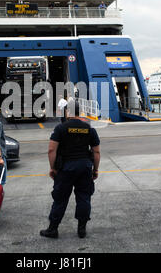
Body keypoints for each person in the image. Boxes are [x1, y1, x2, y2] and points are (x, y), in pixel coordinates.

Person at [40, 100, 101, 239]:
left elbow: (51, 150)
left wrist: (52, 168)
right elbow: (96, 152)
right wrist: (95, 170)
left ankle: (53, 229)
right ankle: (81, 229)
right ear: (80, 112)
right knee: (84, 197)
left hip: (66, 168)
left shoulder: (60, 128)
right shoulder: (89, 129)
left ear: (68, 112)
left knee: (60, 199)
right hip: (85, 168)